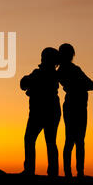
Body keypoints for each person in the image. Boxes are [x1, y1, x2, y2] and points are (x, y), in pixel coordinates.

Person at [20, 47, 61, 176]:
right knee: (50, 142)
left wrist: (31, 89)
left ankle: (29, 170)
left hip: (39, 113)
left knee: (30, 139)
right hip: (52, 111)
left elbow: (23, 84)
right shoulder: (53, 74)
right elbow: (25, 85)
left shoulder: (38, 73)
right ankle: (52, 171)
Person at [58, 43, 93, 178]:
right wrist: (80, 84)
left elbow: (92, 85)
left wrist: (78, 84)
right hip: (73, 107)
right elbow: (89, 84)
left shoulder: (73, 69)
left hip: (79, 107)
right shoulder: (64, 70)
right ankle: (71, 172)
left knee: (78, 140)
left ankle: (78, 172)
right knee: (73, 140)